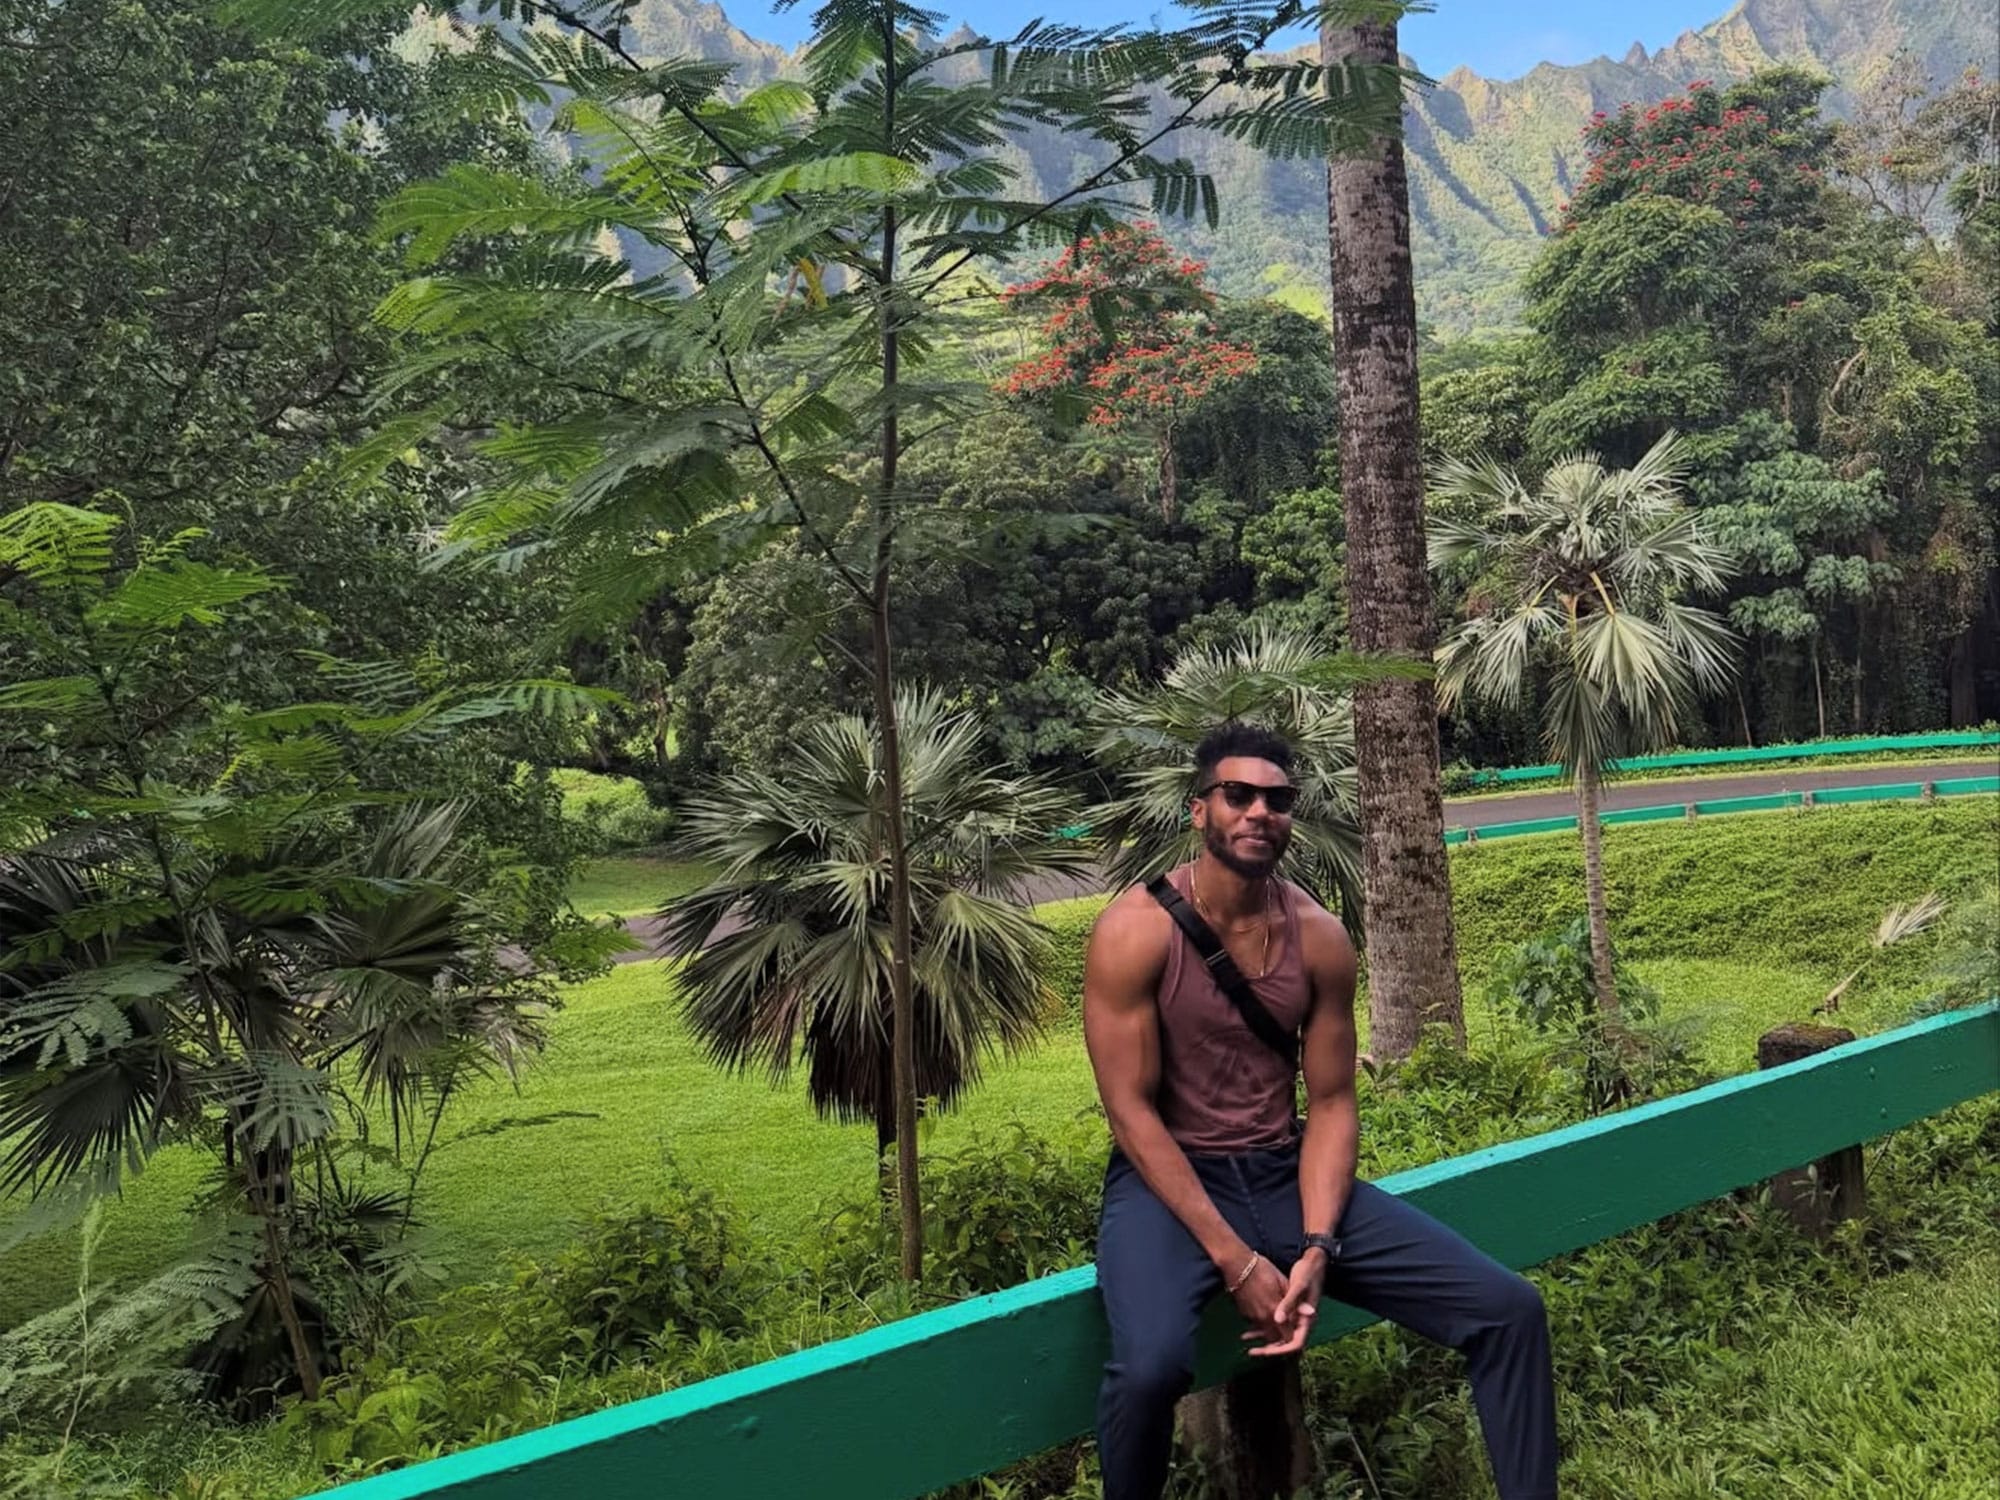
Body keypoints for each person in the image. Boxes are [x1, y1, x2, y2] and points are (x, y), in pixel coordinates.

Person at [1082, 721, 1558, 1500]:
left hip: (1282, 1172)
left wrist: (1317, 1245)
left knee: (1508, 1310)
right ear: (1199, 810)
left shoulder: (1319, 937)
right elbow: (1130, 1114)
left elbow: (1333, 1101)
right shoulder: (1133, 933)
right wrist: (1235, 1261)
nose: (1258, 812)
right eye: (1237, 794)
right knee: (1151, 1366)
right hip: (1167, 1186)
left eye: (1278, 799)